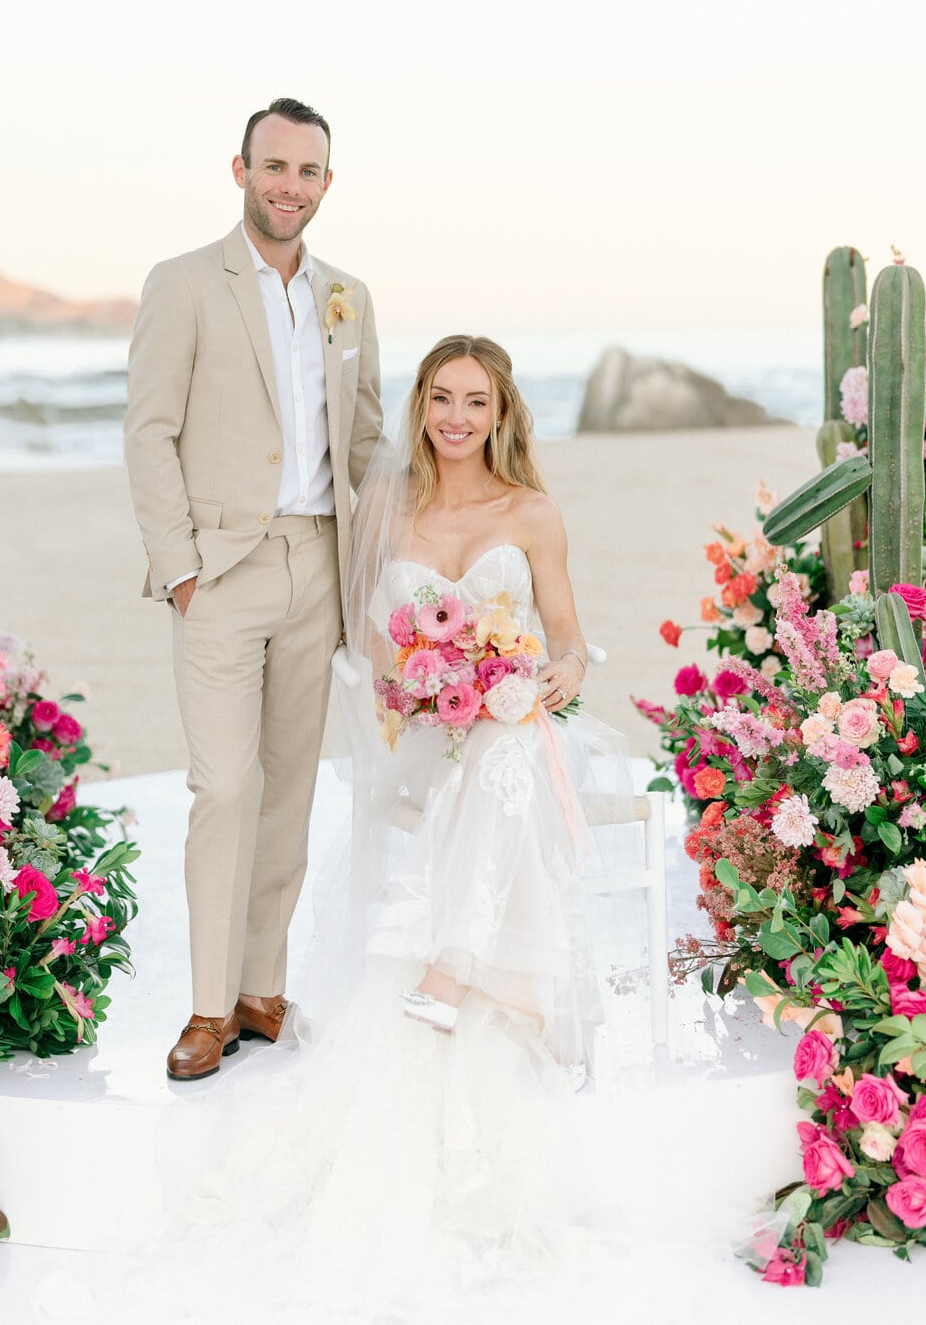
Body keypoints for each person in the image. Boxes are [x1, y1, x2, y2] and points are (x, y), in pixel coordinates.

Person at [102, 335, 651, 1325]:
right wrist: (421, 691)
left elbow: (569, 643)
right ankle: (463, 959)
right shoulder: (385, 511)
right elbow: (361, 652)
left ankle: (451, 968)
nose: (455, 417)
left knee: (513, 739)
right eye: (440, 397)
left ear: (501, 413)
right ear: (420, 406)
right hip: (415, 745)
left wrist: (543, 678)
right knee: (490, 746)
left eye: (474, 402)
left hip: (510, 732)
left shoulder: (531, 512)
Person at [124, 97, 382, 1080]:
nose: (290, 186)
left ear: (327, 182)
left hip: (321, 562)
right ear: (239, 170)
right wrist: (181, 565)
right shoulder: (185, 283)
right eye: (274, 166)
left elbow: (363, 438)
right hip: (221, 569)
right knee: (223, 786)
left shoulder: (349, 294)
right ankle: (204, 1004)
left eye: (308, 171)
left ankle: (260, 986)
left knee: (291, 783)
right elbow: (149, 429)